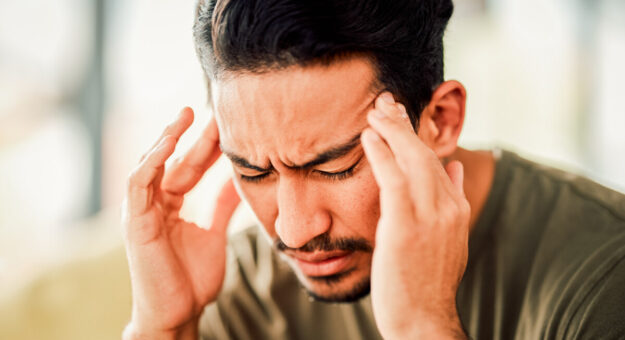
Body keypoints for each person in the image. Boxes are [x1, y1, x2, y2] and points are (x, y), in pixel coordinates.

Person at [121, 0, 625, 339]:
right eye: (254, 171)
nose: (295, 231)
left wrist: (424, 324)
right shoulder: (243, 291)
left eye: (336, 166)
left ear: (440, 120)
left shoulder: (604, 275)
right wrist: (164, 326)